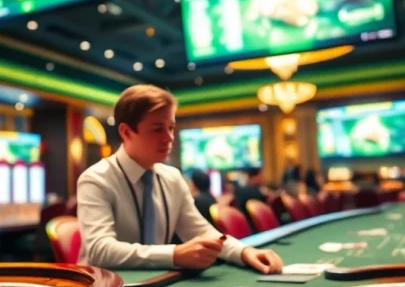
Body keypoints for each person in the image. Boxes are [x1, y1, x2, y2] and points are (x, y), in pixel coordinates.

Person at [76, 85, 283, 273]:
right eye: (158, 129)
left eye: (171, 127)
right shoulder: (96, 179)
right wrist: (175, 255)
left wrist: (244, 252)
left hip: (155, 285)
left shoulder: (172, 178)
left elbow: (202, 232)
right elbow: (99, 251)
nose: (169, 138)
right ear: (126, 132)